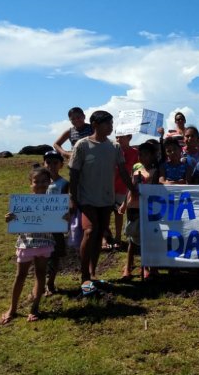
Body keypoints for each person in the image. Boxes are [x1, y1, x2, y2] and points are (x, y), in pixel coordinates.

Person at [68, 110, 136, 289]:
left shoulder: (114, 147)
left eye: (111, 124)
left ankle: (92, 272)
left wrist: (133, 190)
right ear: (96, 125)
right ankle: (84, 276)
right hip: (86, 198)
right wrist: (73, 198)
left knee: (99, 234)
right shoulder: (82, 146)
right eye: (108, 124)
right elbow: (73, 174)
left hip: (106, 198)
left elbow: (123, 171)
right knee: (90, 231)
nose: (111, 127)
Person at [0, 167, 62, 324]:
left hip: (45, 243)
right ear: (30, 183)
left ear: (49, 182)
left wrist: (64, 217)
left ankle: (35, 308)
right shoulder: (22, 202)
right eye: (36, 181)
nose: (40, 184)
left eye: (44, 181)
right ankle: (12, 308)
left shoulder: (55, 203)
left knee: (40, 275)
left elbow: (59, 223)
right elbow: (17, 224)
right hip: (26, 243)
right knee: (20, 276)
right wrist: (10, 219)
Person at [119, 142, 159, 281]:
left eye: (146, 154)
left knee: (147, 238)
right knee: (132, 240)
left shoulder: (156, 171)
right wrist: (124, 203)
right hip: (133, 207)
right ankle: (127, 267)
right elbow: (130, 186)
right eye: (140, 154)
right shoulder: (136, 167)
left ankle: (147, 267)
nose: (142, 157)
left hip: (147, 208)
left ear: (153, 155)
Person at [105, 133, 138, 251]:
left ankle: (118, 237)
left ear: (129, 137)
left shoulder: (135, 153)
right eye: (117, 137)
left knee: (119, 213)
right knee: (105, 213)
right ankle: (106, 238)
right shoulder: (111, 151)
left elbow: (136, 170)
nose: (118, 139)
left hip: (124, 188)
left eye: (121, 137)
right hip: (108, 186)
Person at [43, 150, 69, 296]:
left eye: (55, 162)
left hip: (56, 226)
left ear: (61, 165)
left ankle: (50, 283)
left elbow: (66, 203)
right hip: (41, 226)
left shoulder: (64, 183)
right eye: (48, 162)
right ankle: (41, 284)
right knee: (41, 255)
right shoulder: (39, 182)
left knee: (54, 255)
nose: (51, 165)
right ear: (44, 164)